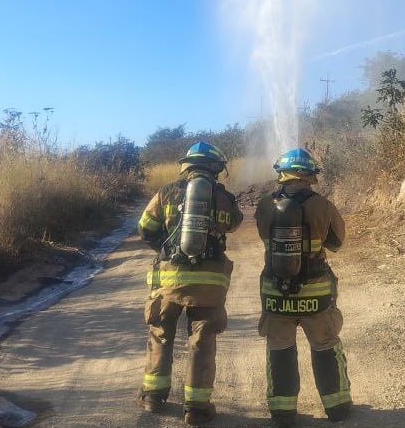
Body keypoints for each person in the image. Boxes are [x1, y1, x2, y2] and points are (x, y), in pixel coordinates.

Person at [137, 141, 243, 425]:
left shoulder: (166, 192)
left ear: (187, 165)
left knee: (160, 334)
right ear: (217, 168)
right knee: (202, 341)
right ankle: (196, 408)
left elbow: (145, 227)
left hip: (169, 282)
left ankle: (152, 398)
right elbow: (234, 223)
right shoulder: (224, 197)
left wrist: (168, 250)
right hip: (209, 285)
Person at [255, 147, 352, 427]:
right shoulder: (323, 205)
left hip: (276, 294)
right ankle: (337, 407)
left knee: (279, 347)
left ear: (281, 174)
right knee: (324, 345)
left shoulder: (264, 205)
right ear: (310, 175)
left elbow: (264, 237)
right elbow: (336, 243)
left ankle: (283, 411)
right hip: (316, 294)